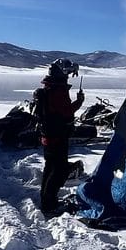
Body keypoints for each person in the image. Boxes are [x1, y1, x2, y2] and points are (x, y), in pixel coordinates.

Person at [35, 58, 84, 213]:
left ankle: (46, 200)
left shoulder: (50, 87)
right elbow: (66, 112)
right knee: (58, 170)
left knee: (50, 168)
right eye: (68, 71)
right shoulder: (57, 90)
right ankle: (50, 204)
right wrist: (79, 102)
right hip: (57, 136)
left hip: (49, 135)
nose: (70, 74)